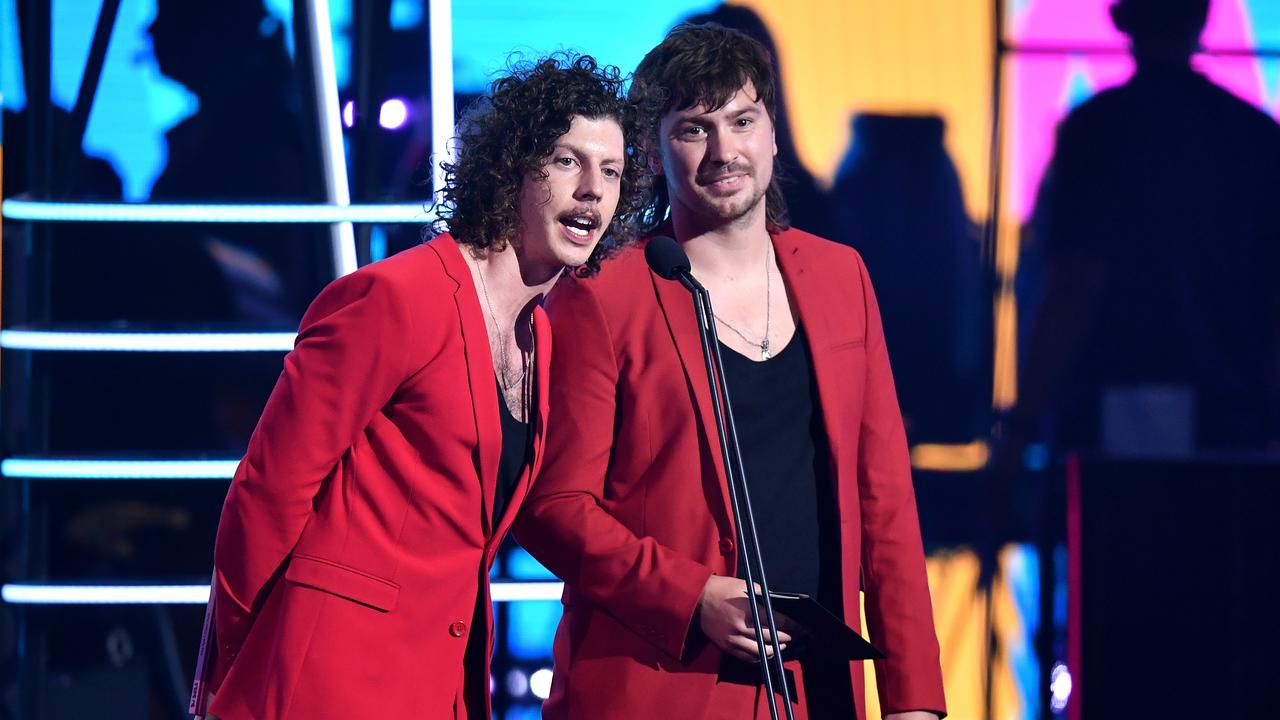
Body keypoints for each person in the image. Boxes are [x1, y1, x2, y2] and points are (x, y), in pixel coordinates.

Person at [193, 53, 649, 719]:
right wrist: (231, 667)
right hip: (327, 679)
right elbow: (265, 495)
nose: (592, 191)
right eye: (566, 161)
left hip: (436, 684)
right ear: (513, 168)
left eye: (610, 171)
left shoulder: (539, 337)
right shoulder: (398, 296)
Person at [514, 24, 946, 719]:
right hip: (657, 687)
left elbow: (885, 505)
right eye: (693, 129)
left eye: (741, 121)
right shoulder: (602, 295)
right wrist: (693, 599)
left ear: (773, 133)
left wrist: (913, 699)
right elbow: (554, 510)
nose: (724, 151)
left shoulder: (841, 278)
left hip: (814, 689)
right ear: (652, 152)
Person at [1007, 0, 1280, 461]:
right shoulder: (1256, 137)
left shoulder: (1099, 129)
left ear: (1122, 20)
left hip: (1110, 401)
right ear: (1201, 19)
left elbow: (1075, 282)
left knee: (1118, 525)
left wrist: (1021, 425)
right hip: (1234, 410)